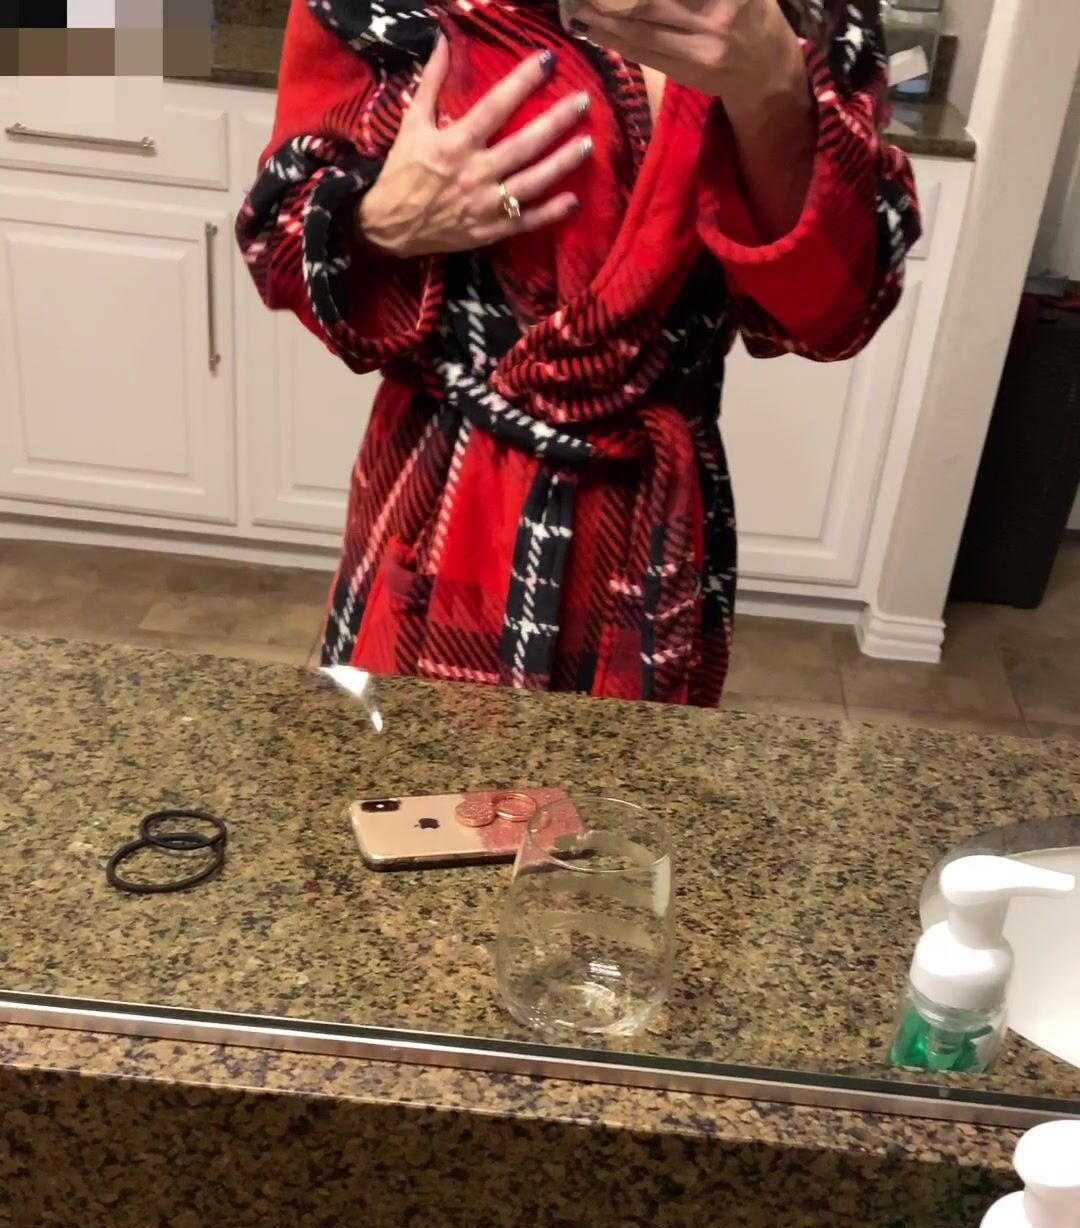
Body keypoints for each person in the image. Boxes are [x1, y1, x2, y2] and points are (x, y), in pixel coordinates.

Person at [237, 0, 919, 703]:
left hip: (650, 516)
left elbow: (834, 315)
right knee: (413, 766)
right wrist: (375, 222)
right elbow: (276, 242)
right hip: (440, 496)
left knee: (625, 774)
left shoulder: (805, 11)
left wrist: (772, 82)